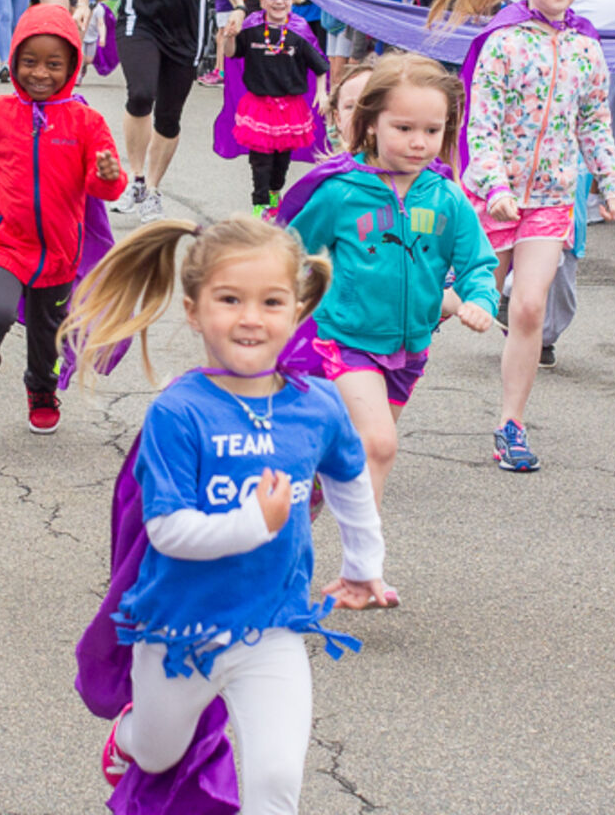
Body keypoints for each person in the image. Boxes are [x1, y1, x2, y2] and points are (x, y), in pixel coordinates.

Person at [60, 215, 388, 809]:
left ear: (297, 309)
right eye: (230, 299)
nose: (251, 318)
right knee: (157, 752)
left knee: (276, 779)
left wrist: (365, 564)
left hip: (273, 625)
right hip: (178, 631)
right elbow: (167, 530)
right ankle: (128, 738)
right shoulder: (179, 411)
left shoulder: (317, 404)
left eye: (272, 301)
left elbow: (349, 476)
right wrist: (253, 524)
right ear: (193, 311)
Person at [431, 0, 615, 472]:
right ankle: (372, 373)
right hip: (492, 198)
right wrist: (495, 185)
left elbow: (593, 123)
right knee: (451, 302)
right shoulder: (501, 41)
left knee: (528, 307)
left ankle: (511, 425)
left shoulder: (587, 46)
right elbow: (481, 124)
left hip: (550, 198)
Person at [284, 53, 498, 507]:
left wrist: (480, 299)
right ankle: (365, 554)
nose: (419, 142)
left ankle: (303, 508)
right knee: (379, 445)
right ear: (371, 123)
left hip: (410, 351)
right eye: (403, 128)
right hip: (346, 342)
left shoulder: (447, 197)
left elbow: (478, 264)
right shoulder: (341, 193)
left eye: (432, 130)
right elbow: (291, 254)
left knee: (355, 460)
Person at [0, 6, 126, 432]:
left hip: (60, 251)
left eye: (53, 65)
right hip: (3, 242)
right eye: (29, 62)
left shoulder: (87, 122)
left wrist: (108, 176)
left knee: (48, 332)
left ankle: (42, 389)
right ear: (14, 61)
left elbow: (104, 189)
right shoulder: (0, 113)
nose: (40, 73)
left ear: (72, 66)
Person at [75, 0, 244, 222]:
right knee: (140, 94)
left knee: (169, 115)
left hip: (187, 29)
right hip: (140, 21)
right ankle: (136, 178)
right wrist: (83, 2)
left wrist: (239, 6)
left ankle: (152, 188)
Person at [221, 0, 328, 214]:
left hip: (290, 109)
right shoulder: (252, 28)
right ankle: (259, 204)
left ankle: (274, 192)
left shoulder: (299, 31)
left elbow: (321, 66)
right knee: (260, 160)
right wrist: (229, 38)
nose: (279, 1)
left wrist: (322, 93)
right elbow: (231, 53)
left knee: (281, 161)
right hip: (259, 105)